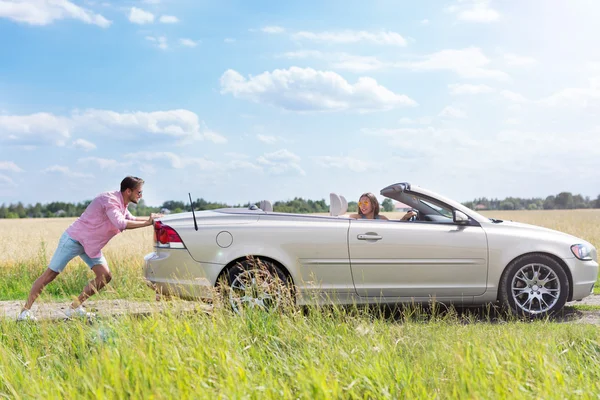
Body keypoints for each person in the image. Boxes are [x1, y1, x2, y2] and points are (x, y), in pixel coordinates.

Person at [17, 176, 162, 321]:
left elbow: (130, 218)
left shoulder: (122, 203)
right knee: (50, 275)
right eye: (139, 192)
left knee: (105, 276)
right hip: (74, 240)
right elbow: (121, 223)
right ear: (129, 191)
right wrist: (148, 223)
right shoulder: (110, 201)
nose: (141, 196)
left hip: (90, 246)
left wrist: (153, 220)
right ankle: (25, 312)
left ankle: (74, 308)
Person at [349, 192, 417, 221]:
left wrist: (405, 218)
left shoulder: (381, 218)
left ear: (374, 204)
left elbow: (393, 228)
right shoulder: (355, 218)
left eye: (366, 202)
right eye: (360, 203)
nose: (362, 205)